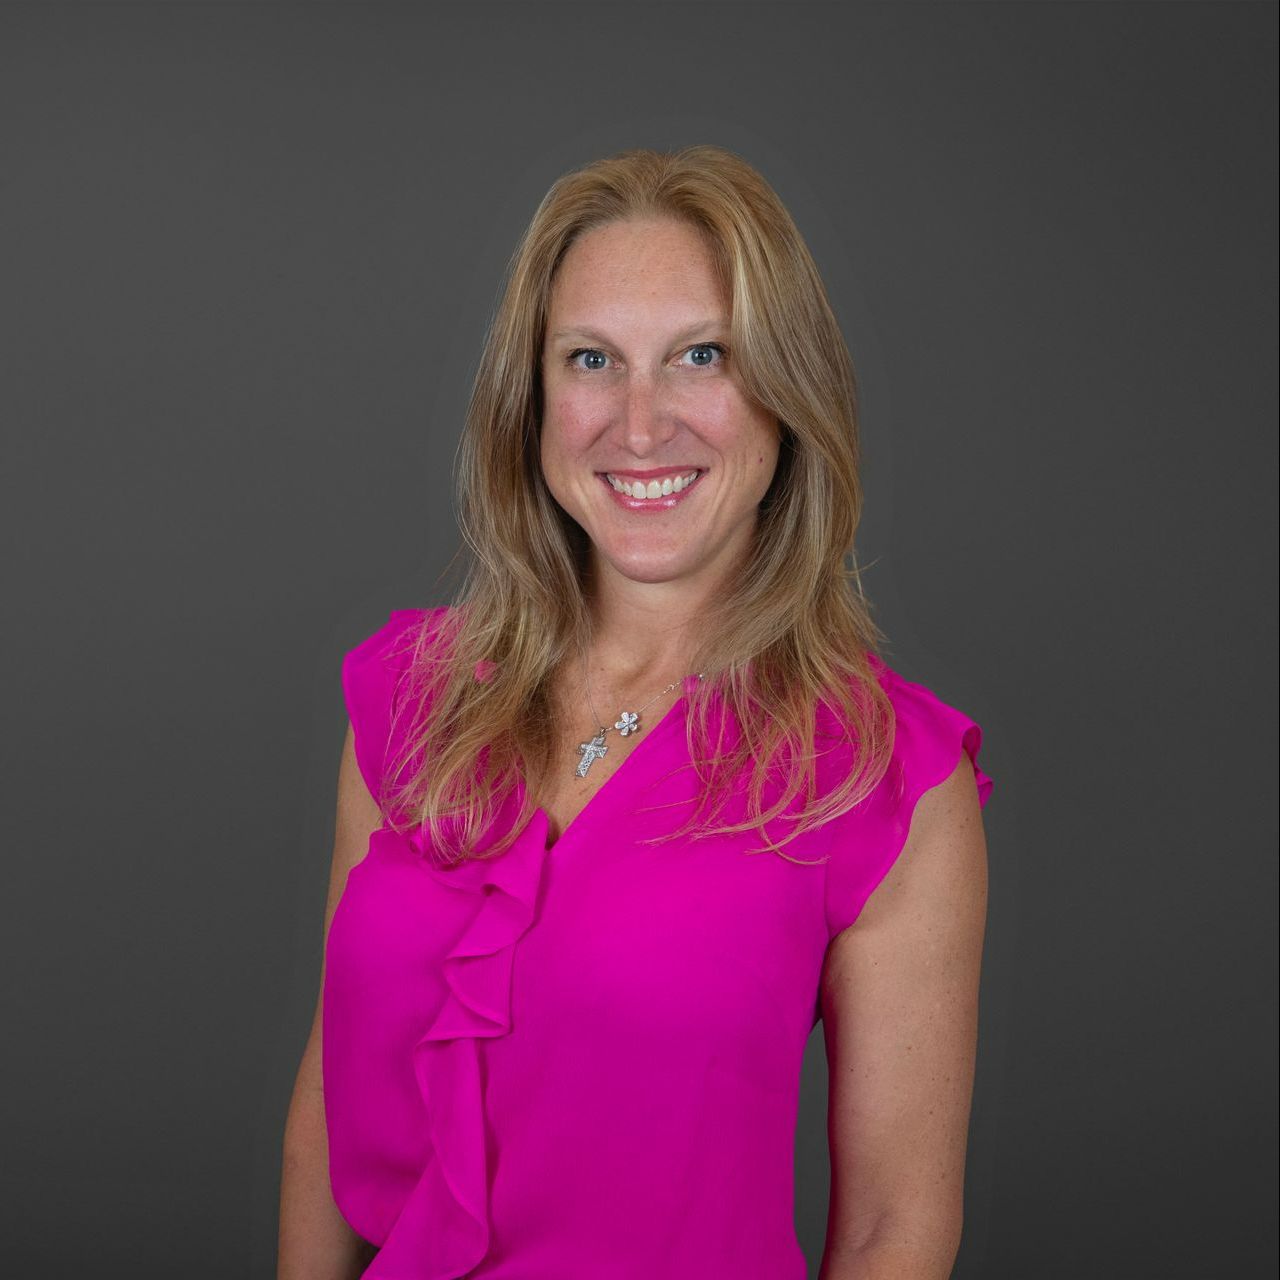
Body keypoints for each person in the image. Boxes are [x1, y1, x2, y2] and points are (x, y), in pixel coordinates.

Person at [278, 144, 993, 1280]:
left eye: (700, 356)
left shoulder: (886, 779)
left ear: (785, 395)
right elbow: (335, 1082)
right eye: (592, 359)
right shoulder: (405, 696)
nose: (641, 422)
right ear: (535, 396)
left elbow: (887, 1233)